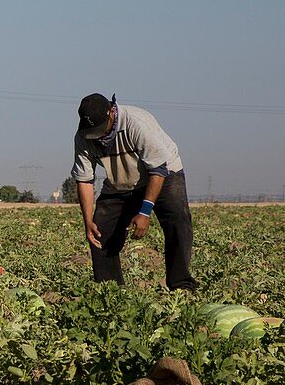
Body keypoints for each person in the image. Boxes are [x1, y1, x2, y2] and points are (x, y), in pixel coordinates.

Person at [71, 93, 197, 290]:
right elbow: (85, 180)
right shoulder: (83, 136)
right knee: (100, 232)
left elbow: (158, 170)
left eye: (98, 129)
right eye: (91, 132)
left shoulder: (137, 123)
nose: (95, 136)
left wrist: (145, 212)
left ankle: (181, 285)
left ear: (112, 113)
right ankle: (111, 292)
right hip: (120, 181)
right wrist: (88, 221)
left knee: (177, 220)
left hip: (163, 174)